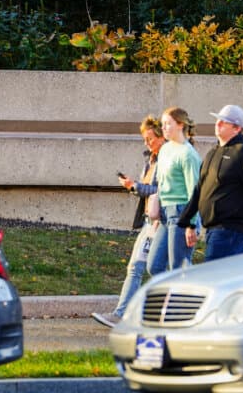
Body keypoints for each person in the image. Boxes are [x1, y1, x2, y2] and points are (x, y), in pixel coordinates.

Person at [179, 104, 243, 261]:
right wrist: (186, 219)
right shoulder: (213, 153)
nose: (218, 124)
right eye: (218, 120)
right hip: (212, 228)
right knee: (226, 273)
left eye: (224, 122)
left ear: (237, 129)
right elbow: (200, 189)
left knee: (214, 272)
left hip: (230, 229)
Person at [91, 115, 164, 328]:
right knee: (139, 267)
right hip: (149, 220)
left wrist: (135, 186)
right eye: (145, 139)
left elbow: (162, 190)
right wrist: (133, 186)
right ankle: (125, 314)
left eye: (150, 139)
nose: (146, 143)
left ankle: (123, 314)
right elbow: (147, 189)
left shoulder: (166, 160)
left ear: (161, 137)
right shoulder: (151, 159)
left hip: (159, 222)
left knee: (145, 268)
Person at [147, 106, 202, 275]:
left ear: (180, 125)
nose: (163, 128)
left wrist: (191, 225)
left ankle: (189, 291)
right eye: (162, 124)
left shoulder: (188, 154)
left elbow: (195, 191)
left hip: (182, 213)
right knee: (154, 266)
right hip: (165, 213)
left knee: (178, 270)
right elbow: (162, 183)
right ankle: (174, 291)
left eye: (167, 123)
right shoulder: (165, 149)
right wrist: (158, 213)